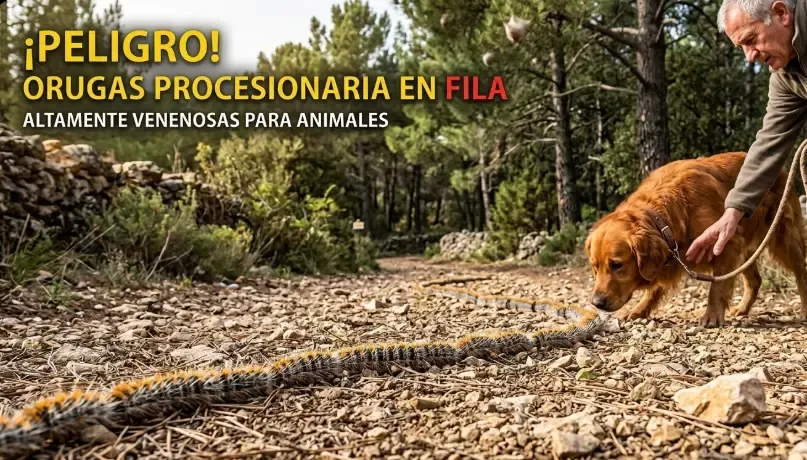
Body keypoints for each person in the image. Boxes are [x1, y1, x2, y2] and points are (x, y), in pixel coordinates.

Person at [687, 0, 807, 264]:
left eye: (751, 39)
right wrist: (732, 213)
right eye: (741, 46)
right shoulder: (786, 74)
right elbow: (768, 144)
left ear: (781, 13)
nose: (749, 56)